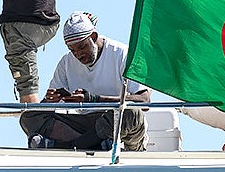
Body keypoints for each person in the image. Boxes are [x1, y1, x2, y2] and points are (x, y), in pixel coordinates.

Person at [22, 11, 147, 151]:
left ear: (93, 37)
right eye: (72, 50)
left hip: (117, 125)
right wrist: (50, 101)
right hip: (86, 125)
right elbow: (46, 108)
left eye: (82, 47)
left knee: (132, 113)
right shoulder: (66, 62)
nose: (78, 54)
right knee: (30, 116)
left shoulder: (122, 54)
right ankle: (96, 145)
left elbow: (144, 101)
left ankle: (71, 146)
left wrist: (94, 99)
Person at [0, 0, 60, 104]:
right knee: (26, 82)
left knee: (27, 89)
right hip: (48, 20)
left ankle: (34, 116)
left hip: (22, 24)